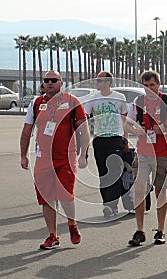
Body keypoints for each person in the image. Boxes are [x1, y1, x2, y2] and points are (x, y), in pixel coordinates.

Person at [20, 70, 90, 250]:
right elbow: (27, 130)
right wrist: (23, 155)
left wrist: (84, 154)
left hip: (66, 157)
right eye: (46, 80)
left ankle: (72, 224)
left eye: (53, 80)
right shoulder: (37, 103)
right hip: (43, 159)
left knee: (65, 195)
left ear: (61, 83)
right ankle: (52, 236)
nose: (49, 83)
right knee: (46, 198)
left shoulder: (72, 102)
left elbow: (84, 130)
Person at [125, 70, 167, 246]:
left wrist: (166, 130)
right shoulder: (138, 102)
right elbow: (127, 124)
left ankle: (160, 230)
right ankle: (139, 230)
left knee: (160, 192)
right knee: (139, 190)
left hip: (163, 153)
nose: (148, 89)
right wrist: (134, 130)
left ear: (158, 85)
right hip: (143, 153)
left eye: (152, 85)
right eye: (145, 86)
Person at [84, 71, 128, 217]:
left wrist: (125, 140)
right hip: (99, 139)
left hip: (115, 138)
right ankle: (107, 205)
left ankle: (111, 205)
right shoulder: (93, 98)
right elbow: (85, 117)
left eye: (101, 80)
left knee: (115, 172)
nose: (97, 83)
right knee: (103, 174)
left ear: (108, 82)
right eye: (97, 80)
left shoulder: (119, 98)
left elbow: (125, 120)